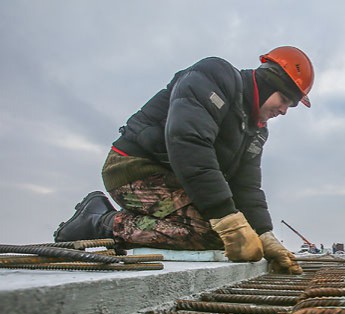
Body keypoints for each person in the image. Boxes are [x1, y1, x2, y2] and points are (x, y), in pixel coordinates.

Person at [53, 46, 314, 274]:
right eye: (284, 99)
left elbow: (246, 187)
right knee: (214, 234)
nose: (284, 110)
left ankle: (120, 223)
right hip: (134, 168)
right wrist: (225, 219)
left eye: (290, 105)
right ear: (269, 82)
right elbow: (188, 142)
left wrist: (264, 235)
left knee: (233, 235)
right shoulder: (216, 77)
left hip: (179, 179)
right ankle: (98, 221)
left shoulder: (256, 131)